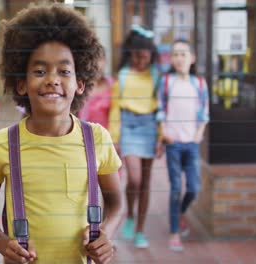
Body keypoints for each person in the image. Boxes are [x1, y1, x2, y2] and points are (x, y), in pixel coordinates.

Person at [0, 3, 124, 263]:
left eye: (64, 71)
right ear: (21, 83)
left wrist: (106, 235)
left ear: (80, 83)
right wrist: (4, 245)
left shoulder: (97, 139)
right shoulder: (2, 144)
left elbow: (117, 204)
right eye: (40, 71)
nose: (52, 79)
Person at [108, 24, 162, 248]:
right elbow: (115, 108)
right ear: (131, 55)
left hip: (150, 126)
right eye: (138, 57)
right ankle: (129, 214)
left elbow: (161, 107)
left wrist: (161, 138)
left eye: (146, 57)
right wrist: (115, 137)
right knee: (135, 179)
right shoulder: (123, 75)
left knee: (146, 183)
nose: (142, 61)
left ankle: (140, 230)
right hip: (129, 127)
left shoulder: (156, 75)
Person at [156, 39, 209, 251]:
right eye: (176, 54)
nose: (179, 58)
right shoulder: (167, 81)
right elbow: (160, 108)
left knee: (194, 188)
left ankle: (179, 213)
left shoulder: (200, 83)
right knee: (176, 187)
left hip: (192, 144)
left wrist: (199, 134)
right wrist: (164, 132)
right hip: (173, 144)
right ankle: (174, 232)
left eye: (184, 54)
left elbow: (204, 112)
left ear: (192, 58)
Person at [78, 46, 114, 129]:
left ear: (105, 61)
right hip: (84, 137)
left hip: (108, 138)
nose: (97, 63)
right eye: (93, 58)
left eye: (100, 58)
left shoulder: (113, 85)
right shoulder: (79, 86)